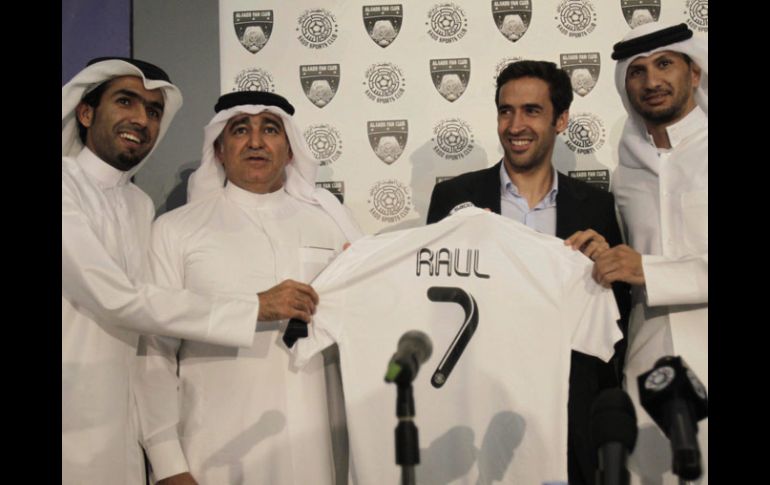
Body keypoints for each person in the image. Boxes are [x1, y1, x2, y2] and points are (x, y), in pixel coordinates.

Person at [134, 91, 362, 485]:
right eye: (241, 130)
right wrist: (168, 462)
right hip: (213, 452)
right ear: (219, 150)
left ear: (290, 151)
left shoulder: (332, 226)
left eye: (270, 130)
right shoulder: (176, 230)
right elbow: (153, 354)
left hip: (319, 451)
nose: (256, 142)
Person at [62, 58, 270, 484]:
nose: (141, 119)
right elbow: (114, 297)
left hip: (120, 428)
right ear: (85, 113)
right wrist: (250, 307)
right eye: (126, 101)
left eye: (154, 111)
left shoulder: (137, 205)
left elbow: (146, 331)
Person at [426, 60, 630, 485]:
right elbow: (426, 296)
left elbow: (618, 322)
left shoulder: (596, 206)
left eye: (531, 111)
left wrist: (608, 270)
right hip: (474, 402)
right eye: (505, 110)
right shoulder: (454, 198)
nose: (515, 125)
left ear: (560, 120)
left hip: (567, 410)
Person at [588, 22, 707, 483]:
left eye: (664, 64)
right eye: (636, 71)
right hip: (647, 366)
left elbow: (647, 267)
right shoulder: (626, 174)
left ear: (694, 73)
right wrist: (607, 255)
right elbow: (632, 266)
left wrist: (649, 270)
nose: (651, 81)